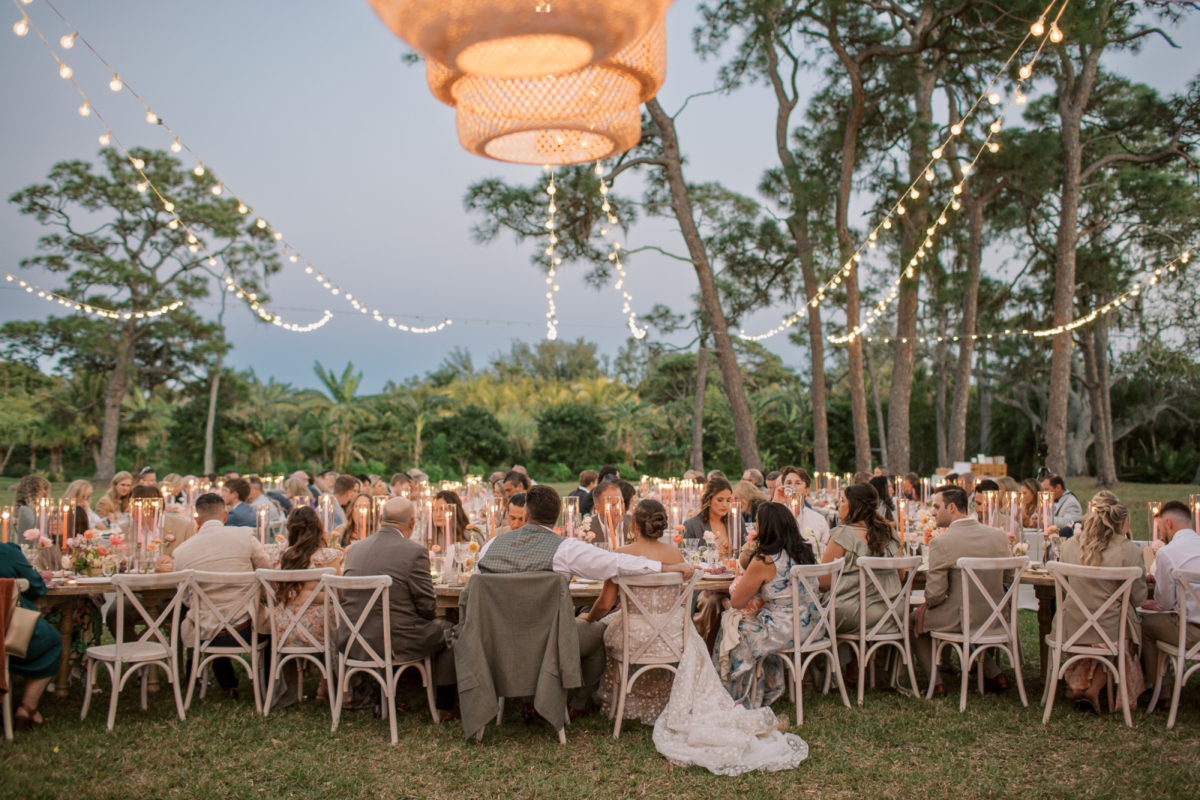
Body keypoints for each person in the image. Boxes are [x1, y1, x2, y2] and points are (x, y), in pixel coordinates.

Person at [474, 485, 696, 718]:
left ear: (526, 515)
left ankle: (529, 701)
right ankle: (577, 703)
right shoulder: (564, 548)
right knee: (597, 635)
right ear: (557, 518)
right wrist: (666, 567)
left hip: (496, 639)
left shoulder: (489, 547)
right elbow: (616, 563)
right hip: (548, 640)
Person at [336, 496, 459, 719]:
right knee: (452, 630)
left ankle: (382, 698)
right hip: (395, 642)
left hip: (353, 639)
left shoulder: (355, 549)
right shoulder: (414, 552)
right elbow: (428, 609)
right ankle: (446, 706)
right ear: (412, 523)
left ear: (381, 519)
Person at [908, 486, 1014, 696]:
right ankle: (994, 673)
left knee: (913, 620)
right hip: (998, 616)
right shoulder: (999, 536)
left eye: (937, 507)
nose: (933, 512)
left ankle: (935, 682)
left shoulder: (942, 542)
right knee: (968, 614)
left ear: (952, 507)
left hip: (963, 619)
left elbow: (934, 596)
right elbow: (1009, 574)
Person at [588, 499, 686, 724]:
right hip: (672, 634)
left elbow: (604, 605)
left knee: (605, 628)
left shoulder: (621, 553)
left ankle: (619, 697)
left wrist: (588, 618)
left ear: (635, 526)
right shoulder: (675, 555)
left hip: (634, 635)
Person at [713, 502, 818, 708]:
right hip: (813, 626)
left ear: (766, 527)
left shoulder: (765, 560)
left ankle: (736, 696)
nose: (755, 528)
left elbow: (737, 601)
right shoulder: (804, 551)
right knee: (748, 624)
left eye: (757, 524)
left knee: (735, 627)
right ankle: (768, 687)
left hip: (783, 630)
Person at [171, 493, 272, 700]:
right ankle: (269, 685)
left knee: (211, 616)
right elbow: (268, 576)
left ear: (197, 520)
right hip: (248, 631)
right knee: (271, 623)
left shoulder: (181, 552)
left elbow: (186, 599)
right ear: (225, 516)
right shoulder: (244, 536)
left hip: (206, 633)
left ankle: (228, 684)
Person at [1054, 494, 1146, 714]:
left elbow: (1065, 584)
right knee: (1120, 631)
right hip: (1110, 633)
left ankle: (1080, 686)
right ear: (1122, 523)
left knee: (1106, 632)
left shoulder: (1069, 546)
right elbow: (1139, 598)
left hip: (1072, 629)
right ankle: (1093, 689)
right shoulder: (1131, 551)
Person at [819, 483, 905, 686]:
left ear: (854, 506)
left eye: (841, 501)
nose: (838, 505)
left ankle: (818, 677)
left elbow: (823, 582)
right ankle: (858, 667)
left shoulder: (843, 534)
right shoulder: (890, 533)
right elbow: (900, 577)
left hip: (853, 614)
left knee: (815, 611)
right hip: (892, 613)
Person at [270, 506, 344, 701]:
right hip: (319, 630)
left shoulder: (279, 557)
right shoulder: (328, 557)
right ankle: (328, 683)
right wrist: (316, 595)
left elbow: (274, 594)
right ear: (318, 528)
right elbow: (340, 596)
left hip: (282, 628)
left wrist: (299, 595)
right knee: (335, 614)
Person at [1141, 500, 1200, 708]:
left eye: (1161, 530)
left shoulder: (1168, 552)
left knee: (1146, 625)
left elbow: (1165, 604)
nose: (1162, 535)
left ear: (1168, 523)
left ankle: (1161, 693)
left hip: (1193, 633)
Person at [1, 538, 63, 731]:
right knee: (52, 641)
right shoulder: (6, 553)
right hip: (6, 635)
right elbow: (35, 587)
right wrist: (37, 577)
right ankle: (27, 706)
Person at [685, 477, 735, 651]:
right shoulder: (692, 525)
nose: (724, 505)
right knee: (711, 602)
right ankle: (701, 649)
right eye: (719, 500)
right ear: (708, 500)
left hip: (732, 583)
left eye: (728, 500)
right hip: (703, 585)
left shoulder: (736, 522)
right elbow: (688, 559)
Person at [772, 467, 830, 547]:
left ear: (806, 491)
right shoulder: (775, 515)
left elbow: (826, 549)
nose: (792, 486)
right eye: (788, 482)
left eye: (797, 483)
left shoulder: (819, 520)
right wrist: (776, 503)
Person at [588, 480, 627, 545]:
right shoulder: (586, 531)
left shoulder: (634, 525)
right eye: (612, 505)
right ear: (598, 508)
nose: (619, 509)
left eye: (621, 502)